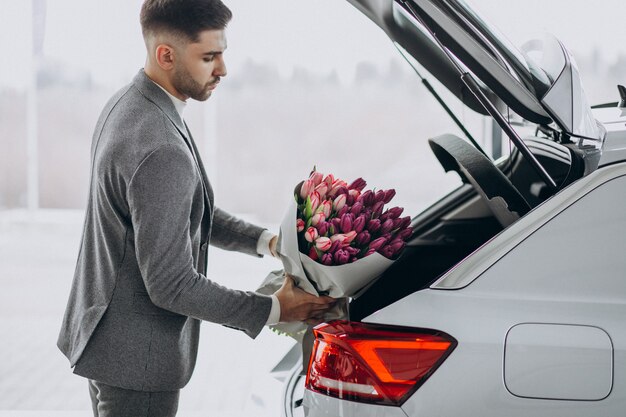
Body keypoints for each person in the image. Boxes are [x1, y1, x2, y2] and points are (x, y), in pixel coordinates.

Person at [57, 0, 335, 415]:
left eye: (222, 53)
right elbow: (171, 284)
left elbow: (189, 209)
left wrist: (269, 243)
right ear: (165, 55)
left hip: (107, 341)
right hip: (138, 364)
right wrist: (274, 307)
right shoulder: (160, 147)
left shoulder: (131, 105)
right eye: (209, 56)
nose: (222, 69)